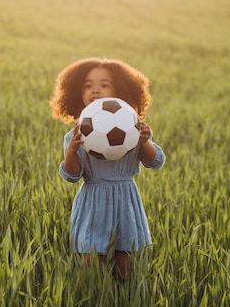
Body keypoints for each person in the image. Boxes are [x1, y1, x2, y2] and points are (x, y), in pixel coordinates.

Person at [49, 57, 165, 279]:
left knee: (126, 262)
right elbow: (72, 175)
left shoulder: (132, 128)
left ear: (120, 90)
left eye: (104, 85)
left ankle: (125, 295)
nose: (95, 90)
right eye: (88, 85)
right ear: (77, 93)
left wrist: (144, 142)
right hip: (93, 201)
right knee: (91, 259)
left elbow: (155, 161)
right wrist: (71, 151)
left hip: (125, 199)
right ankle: (98, 295)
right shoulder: (76, 134)